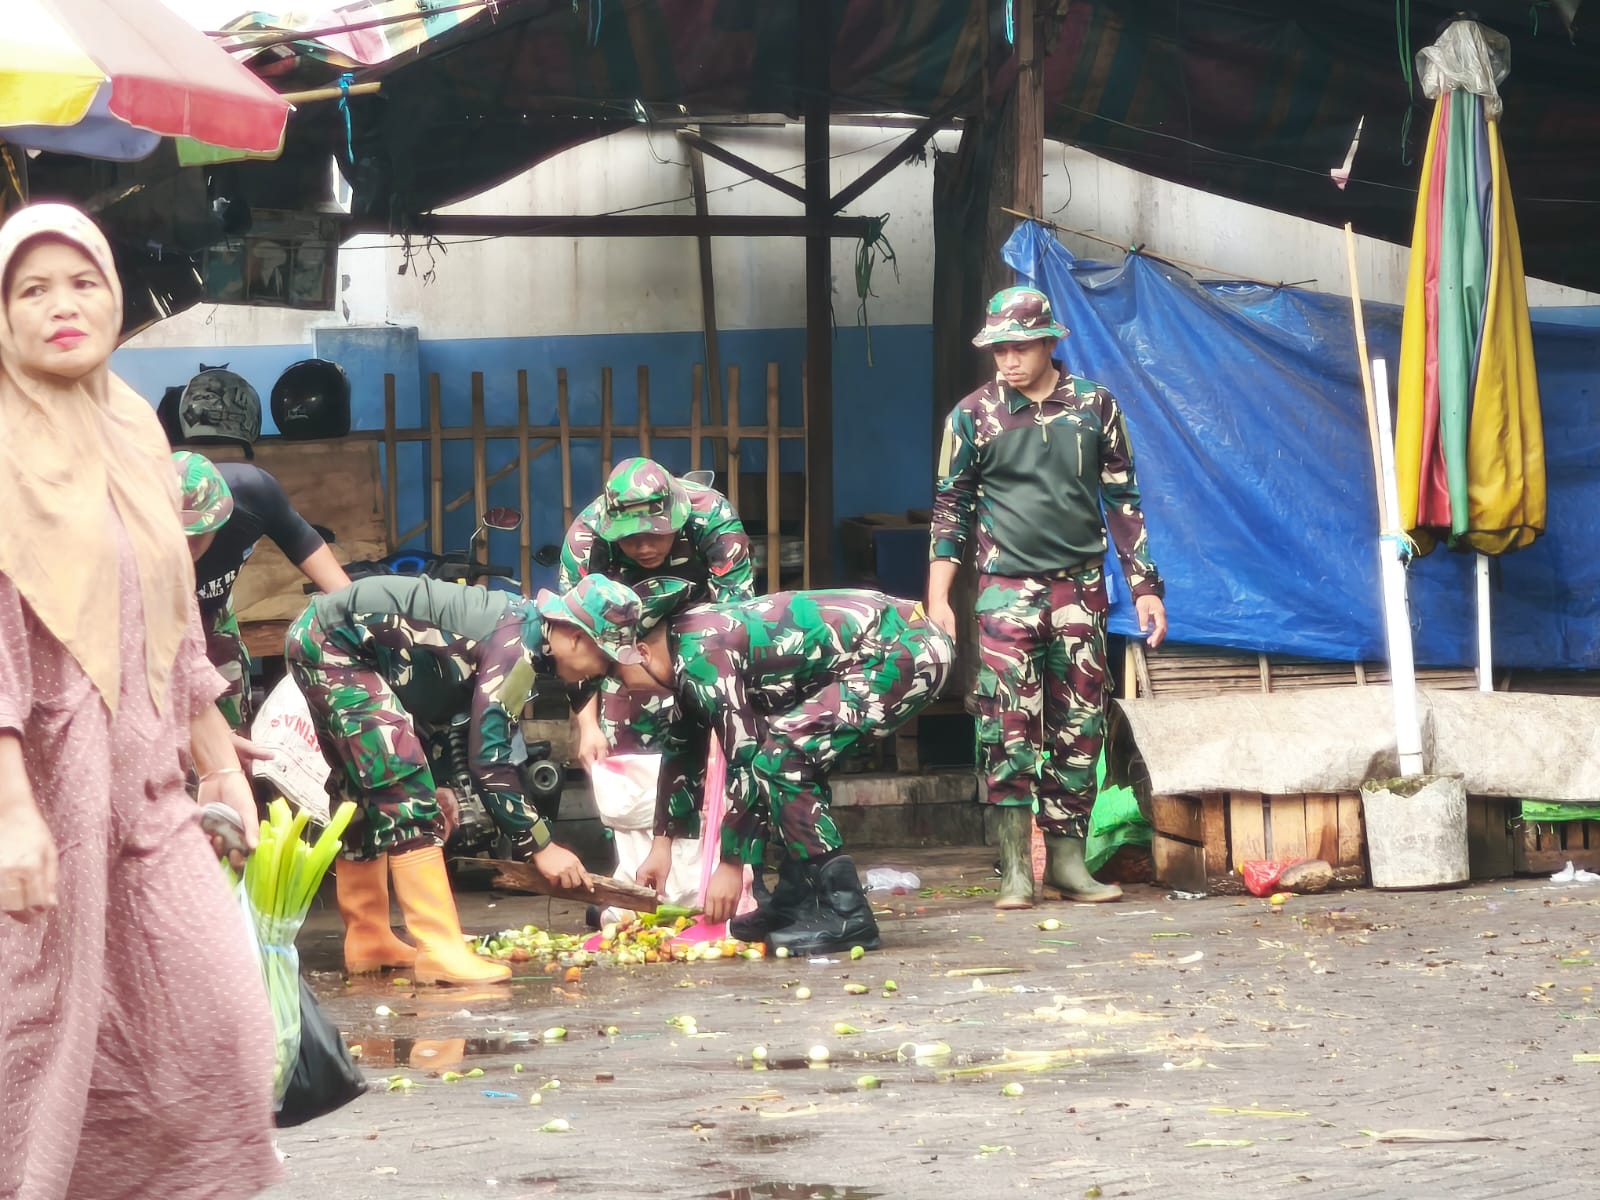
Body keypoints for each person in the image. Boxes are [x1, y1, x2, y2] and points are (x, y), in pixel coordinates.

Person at [0, 204, 279, 1199]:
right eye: (32, 289)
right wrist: (14, 813)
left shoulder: (132, 430)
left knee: (216, 1033)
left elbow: (172, 619)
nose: (63, 306)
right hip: (40, 790)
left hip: (148, 789)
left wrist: (212, 752)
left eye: (82, 282)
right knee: (37, 1054)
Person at [927, 285, 1168, 910]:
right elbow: (950, 507)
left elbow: (1124, 499)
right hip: (1005, 593)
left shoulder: (1095, 406)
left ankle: (1067, 863)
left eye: (1021, 347)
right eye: (1000, 349)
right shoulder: (973, 415)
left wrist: (1144, 587)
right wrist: (940, 599)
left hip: (1081, 590)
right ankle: (1014, 871)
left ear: (1050, 342)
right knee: (1007, 727)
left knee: (1079, 725)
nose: (1009, 360)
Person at [284, 572, 644, 983]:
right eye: (605, 660)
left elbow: (438, 697)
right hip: (333, 645)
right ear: (577, 638)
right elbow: (489, 759)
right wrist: (540, 844)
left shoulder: (526, 636)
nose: (601, 673)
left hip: (329, 641)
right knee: (404, 791)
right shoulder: (517, 646)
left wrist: (439, 779)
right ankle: (439, 949)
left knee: (364, 790)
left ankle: (369, 938)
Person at [631, 589, 954, 955]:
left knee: (780, 758)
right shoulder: (685, 647)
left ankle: (849, 915)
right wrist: (662, 845)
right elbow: (684, 746)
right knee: (787, 757)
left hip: (904, 648)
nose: (622, 690)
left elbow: (744, 753)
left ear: (641, 651)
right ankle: (797, 899)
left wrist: (732, 864)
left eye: (616, 675)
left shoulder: (699, 656)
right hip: (890, 647)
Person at [561, 456, 753, 768]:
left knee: (715, 762)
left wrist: (730, 708)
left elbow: (738, 619)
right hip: (622, 648)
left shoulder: (711, 516)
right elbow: (576, 641)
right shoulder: (586, 541)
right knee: (621, 763)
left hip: (704, 637)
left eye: (656, 533)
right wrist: (588, 727)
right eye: (630, 538)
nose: (644, 547)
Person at [175, 450, 352, 728]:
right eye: (182, 533)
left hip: (215, 611)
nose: (189, 546)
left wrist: (360, 621)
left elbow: (329, 575)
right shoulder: (130, 525)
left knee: (232, 715)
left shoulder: (254, 494)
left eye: (200, 532)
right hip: (156, 620)